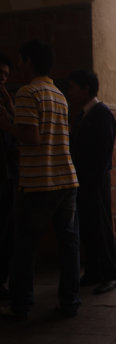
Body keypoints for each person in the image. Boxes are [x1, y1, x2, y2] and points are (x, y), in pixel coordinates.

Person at [0, 40, 80, 319]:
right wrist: (13, 109)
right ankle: (70, 302)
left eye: (21, 61)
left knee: (24, 247)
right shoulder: (58, 94)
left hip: (38, 182)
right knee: (69, 245)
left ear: (29, 62)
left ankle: (21, 304)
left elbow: (32, 136)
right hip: (66, 179)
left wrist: (6, 124)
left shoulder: (28, 92)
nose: (18, 67)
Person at [68, 69, 116, 295]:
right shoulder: (82, 115)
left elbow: (103, 151)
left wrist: (93, 178)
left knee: (101, 225)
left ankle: (110, 274)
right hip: (83, 180)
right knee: (88, 226)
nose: (69, 92)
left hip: (96, 180)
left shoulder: (102, 113)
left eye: (72, 87)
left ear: (85, 89)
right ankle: (93, 271)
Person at [0, 53, 17, 300]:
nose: (2, 80)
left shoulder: (6, 101)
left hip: (6, 173)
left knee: (6, 229)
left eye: (5, 75)